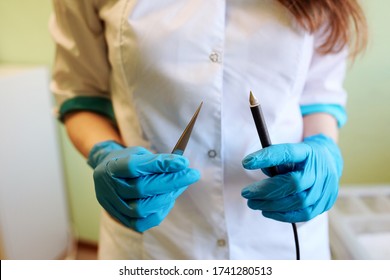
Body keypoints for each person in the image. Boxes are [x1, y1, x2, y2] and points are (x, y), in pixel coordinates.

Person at [49, 0, 367, 260]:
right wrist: (105, 152)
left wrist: (323, 146)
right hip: (155, 243)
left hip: (285, 239)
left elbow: (318, 95)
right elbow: (80, 95)